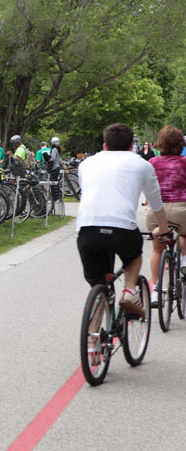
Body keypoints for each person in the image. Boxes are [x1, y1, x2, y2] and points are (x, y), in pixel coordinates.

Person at [77, 123, 168, 320]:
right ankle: (129, 291)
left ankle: (93, 345)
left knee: (97, 286)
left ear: (105, 145)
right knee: (134, 256)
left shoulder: (86, 164)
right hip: (122, 230)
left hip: (88, 230)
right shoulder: (142, 164)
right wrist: (163, 227)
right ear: (131, 147)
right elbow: (155, 200)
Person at [145, 126, 186, 296]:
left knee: (157, 249)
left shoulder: (152, 163)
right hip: (181, 209)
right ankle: (184, 260)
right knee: (183, 234)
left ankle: (155, 289)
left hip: (157, 212)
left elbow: (149, 188)